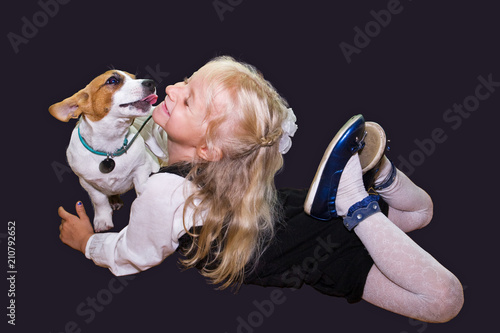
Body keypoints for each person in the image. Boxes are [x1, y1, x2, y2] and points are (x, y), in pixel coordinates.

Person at [58, 56, 464, 323]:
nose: (172, 90)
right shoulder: (211, 154)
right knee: (420, 213)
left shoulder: (162, 194)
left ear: (208, 149)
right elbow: (139, 139)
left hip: (284, 253)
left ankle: (354, 200)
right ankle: (377, 174)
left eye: (186, 100)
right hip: (284, 214)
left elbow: (133, 253)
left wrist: (88, 244)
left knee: (445, 301)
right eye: (185, 82)